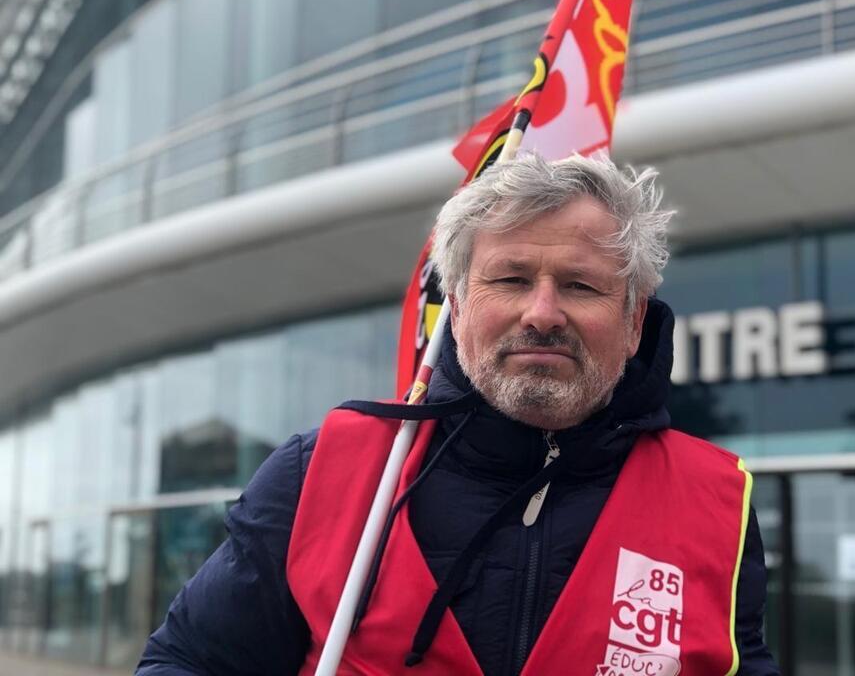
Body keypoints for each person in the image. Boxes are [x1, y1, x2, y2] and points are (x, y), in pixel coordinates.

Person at [137, 153, 780, 675]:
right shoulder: (326, 472)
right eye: (511, 279)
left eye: (580, 286)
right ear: (457, 305)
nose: (543, 313)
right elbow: (188, 662)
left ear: (635, 320)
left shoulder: (718, 502)